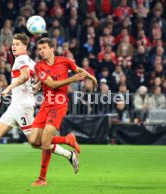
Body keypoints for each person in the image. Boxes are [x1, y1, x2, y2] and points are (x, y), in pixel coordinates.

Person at [0, 34, 84, 180]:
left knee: (37, 142)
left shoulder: (21, 60)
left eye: (17, 44)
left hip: (22, 108)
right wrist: (36, 86)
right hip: (15, 106)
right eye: (13, 44)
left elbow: (25, 76)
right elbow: (37, 79)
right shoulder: (31, 61)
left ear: (25, 47)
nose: (14, 46)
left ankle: (67, 144)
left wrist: (8, 88)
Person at [28, 38, 97, 186]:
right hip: (46, 104)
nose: (41, 51)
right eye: (39, 49)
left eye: (44, 48)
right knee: (34, 141)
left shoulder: (65, 61)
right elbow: (52, 84)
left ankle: (42, 179)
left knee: (46, 140)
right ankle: (67, 140)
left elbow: (79, 70)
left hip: (59, 105)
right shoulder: (39, 67)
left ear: (52, 49)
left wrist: (92, 78)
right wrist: (72, 79)